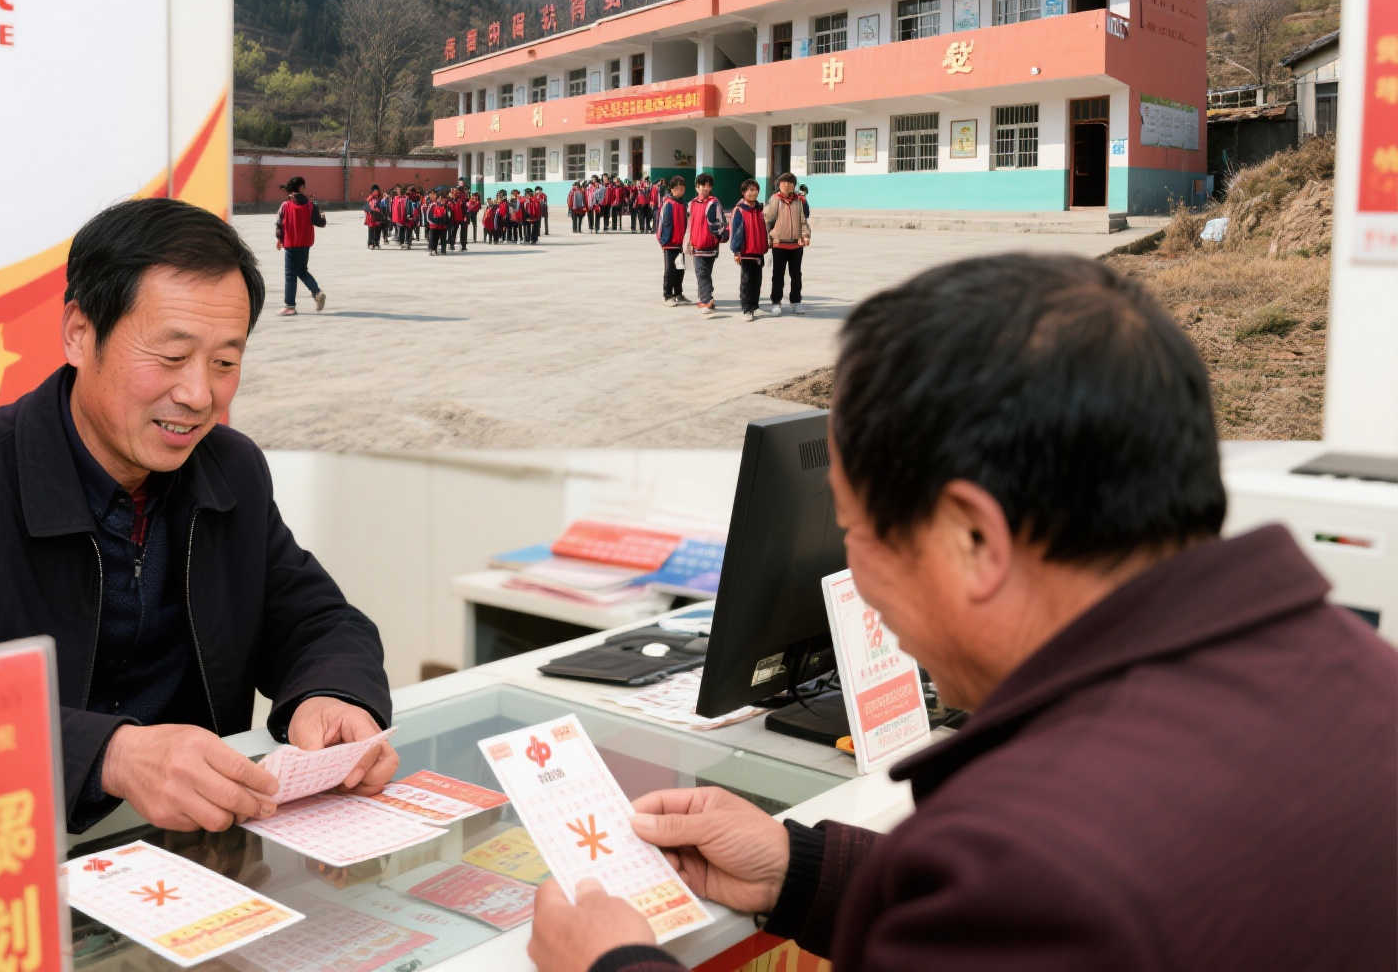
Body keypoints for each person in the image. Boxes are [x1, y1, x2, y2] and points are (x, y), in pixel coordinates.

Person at [529, 251, 1398, 972]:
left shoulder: (1039, 863)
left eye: (853, 534)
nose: (856, 583)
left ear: (974, 540)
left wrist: (611, 966)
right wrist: (800, 873)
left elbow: (1025, 906)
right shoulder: (1359, 676)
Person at [0, 198, 399, 834]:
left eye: (225, 362)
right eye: (169, 355)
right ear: (79, 333)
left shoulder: (229, 468)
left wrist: (333, 693)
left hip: (194, 847)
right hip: (11, 851)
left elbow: (318, 620)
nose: (197, 395)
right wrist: (107, 753)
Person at [273, 176, 326, 315]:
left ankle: (290, 306)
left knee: (290, 274)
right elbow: (320, 223)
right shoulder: (310, 205)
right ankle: (317, 292)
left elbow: (279, 223)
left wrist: (279, 239)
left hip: (290, 244)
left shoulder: (285, 205)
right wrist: (323, 216)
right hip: (305, 244)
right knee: (302, 270)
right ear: (301, 187)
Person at [766, 173, 810, 316]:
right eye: (784, 182)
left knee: (796, 275)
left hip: (796, 245)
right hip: (779, 245)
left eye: (790, 183)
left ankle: (796, 302)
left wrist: (805, 235)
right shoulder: (775, 199)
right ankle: (776, 302)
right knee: (778, 275)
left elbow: (803, 220)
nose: (787, 185)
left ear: (794, 185)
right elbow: (768, 220)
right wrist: (768, 239)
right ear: (779, 185)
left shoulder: (799, 200)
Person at [686, 174, 728, 313]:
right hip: (696, 245)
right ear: (697, 186)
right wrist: (689, 241)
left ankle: (706, 300)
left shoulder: (714, 202)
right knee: (702, 273)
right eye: (703, 185)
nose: (706, 188)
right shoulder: (692, 204)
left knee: (703, 273)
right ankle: (706, 298)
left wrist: (716, 238)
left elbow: (722, 222)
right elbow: (690, 225)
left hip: (710, 245)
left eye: (709, 185)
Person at [728, 178, 769, 320]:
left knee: (757, 281)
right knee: (746, 282)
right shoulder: (739, 210)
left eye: (755, 189)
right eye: (750, 190)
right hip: (745, 252)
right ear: (744, 192)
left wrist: (765, 245)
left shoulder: (759, 209)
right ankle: (746, 309)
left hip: (758, 251)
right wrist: (736, 251)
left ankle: (755, 306)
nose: (753, 193)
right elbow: (735, 232)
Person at [654, 175, 689, 305]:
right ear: (672, 189)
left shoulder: (684, 204)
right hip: (669, 244)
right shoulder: (668, 204)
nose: (679, 191)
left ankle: (678, 293)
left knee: (680, 269)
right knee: (670, 270)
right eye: (677, 188)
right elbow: (660, 224)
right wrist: (663, 241)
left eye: (682, 188)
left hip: (681, 244)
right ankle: (667, 295)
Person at [425, 190, 451, 256]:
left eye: (443, 199)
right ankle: (433, 250)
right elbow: (428, 216)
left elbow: (449, 216)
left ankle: (443, 250)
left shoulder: (446, 207)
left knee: (443, 239)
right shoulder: (433, 205)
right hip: (434, 226)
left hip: (443, 226)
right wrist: (434, 222)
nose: (441, 200)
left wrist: (446, 223)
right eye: (440, 198)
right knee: (433, 239)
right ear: (438, 198)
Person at [364, 183, 387, 250]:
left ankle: (376, 243)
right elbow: (365, 208)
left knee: (377, 231)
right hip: (371, 218)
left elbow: (383, 207)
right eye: (374, 191)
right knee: (371, 231)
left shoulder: (381, 199)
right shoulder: (369, 199)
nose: (375, 192)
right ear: (372, 192)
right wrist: (371, 210)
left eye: (377, 191)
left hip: (378, 217)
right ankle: (370, 243)